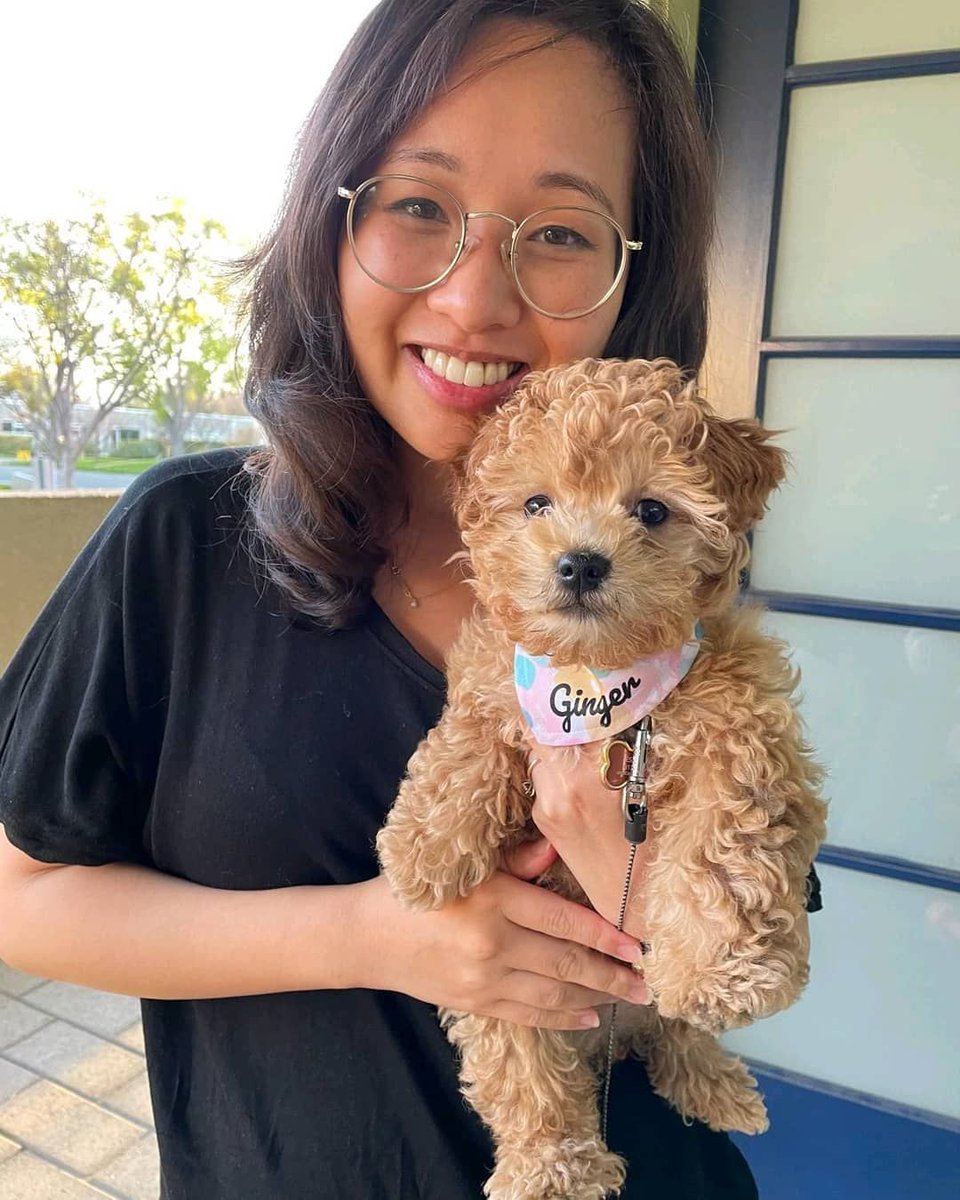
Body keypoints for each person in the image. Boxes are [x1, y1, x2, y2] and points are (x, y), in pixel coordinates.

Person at [0, 2, 816, 1196]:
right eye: (419, 205)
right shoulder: (178, 545)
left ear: (633, 275)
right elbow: (19, 897)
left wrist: (638, 869)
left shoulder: (678, 574)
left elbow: (769, 937)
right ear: (332, 223)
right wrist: (372, 934)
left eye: (560, 231)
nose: (476, 299)